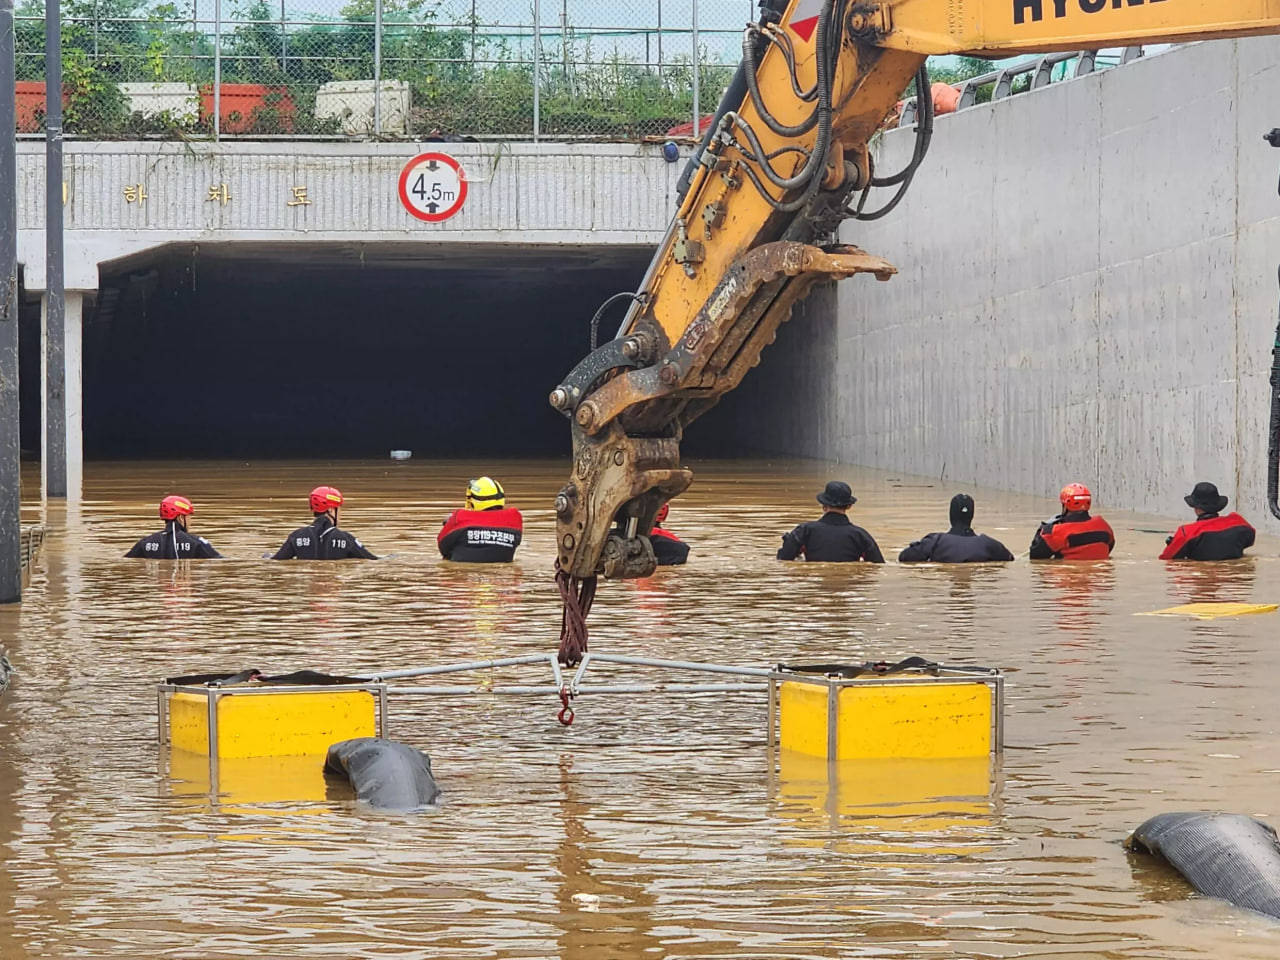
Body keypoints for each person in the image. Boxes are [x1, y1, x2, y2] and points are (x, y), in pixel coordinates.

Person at [777, 481, 884, 563]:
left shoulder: (804, 530)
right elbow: (877, 564)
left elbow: (784, 558)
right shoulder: (861, 535)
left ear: (823, 505)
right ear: (849, 506)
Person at [898, 494, 1014, 563]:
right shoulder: (989, 544)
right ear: (972, 516)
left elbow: (904, 557)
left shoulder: (936, 541)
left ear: (951, 515)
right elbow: (1010, 559)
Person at [272, 486, 377, 560]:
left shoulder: (296, 537)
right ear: (331, 510)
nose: (340, 514)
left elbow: (276, 559)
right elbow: (372, 559)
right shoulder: (346, 539)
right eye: (339, 509)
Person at [1159, 482, 1255, 561]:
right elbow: (1250, 540)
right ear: (1218, 505)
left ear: (1195, 507)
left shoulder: (1186, 532)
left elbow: (1166, 558)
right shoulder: (1239, 522)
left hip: (1201, 577)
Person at [438, 477, 523, 563]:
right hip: (503, 573)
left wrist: (450, 524)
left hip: (464, 570)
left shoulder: (459, 517)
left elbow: (443, 547)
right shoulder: (515, 518)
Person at [1029, 483, 1115, 560]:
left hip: (1068, 575)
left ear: (1065, 506)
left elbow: (1035, 556)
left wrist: (1044, 528)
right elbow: (1109, 547)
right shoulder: (1103, 526)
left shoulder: (1055, 532)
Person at [125, 495, 222, 559]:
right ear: (180, 517)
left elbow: (128, 560)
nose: (190, 521)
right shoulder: (197, 543)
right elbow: (218, 560)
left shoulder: (145, 543)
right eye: (189, 516)